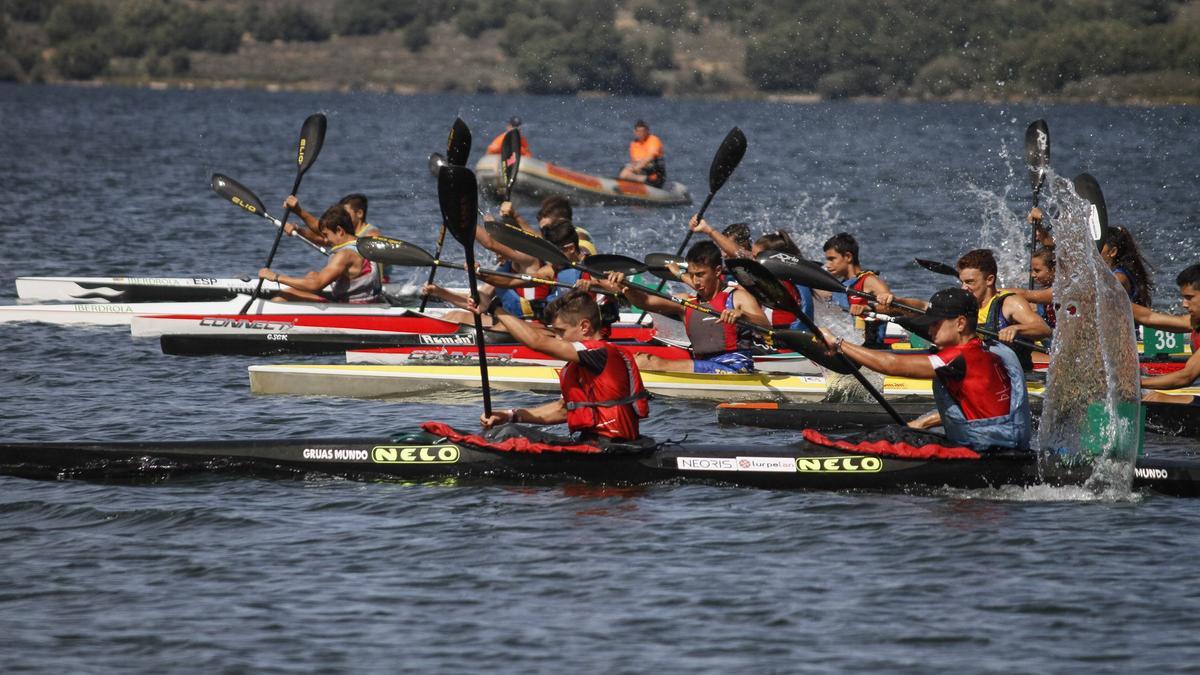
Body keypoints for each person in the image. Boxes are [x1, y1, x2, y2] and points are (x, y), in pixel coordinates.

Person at [820, 288, 1032, 451]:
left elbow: (892, 365)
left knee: (888, 437)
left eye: (935, 323)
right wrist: (925, 421)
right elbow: (981, 407)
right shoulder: (994, 350)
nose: (930, 330)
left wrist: (839, 343)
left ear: (960, 323)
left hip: (984, 452)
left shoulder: (959, 357)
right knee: (897, 434)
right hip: (1003, 445)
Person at [478, 290, 649, 442]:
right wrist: (510, 415)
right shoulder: (587, 362)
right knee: (507, 428)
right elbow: (563, 410)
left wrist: (494, 309)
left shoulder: (599, 352)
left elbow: (536, 342)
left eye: (561, 331)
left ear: (584, 326)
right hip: (592, 444)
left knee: (508, 434)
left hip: (611, 448)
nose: (558, 339)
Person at [615, 240, 770, 373]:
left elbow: (767, 328)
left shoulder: (737, 297)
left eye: (701, 275)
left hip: (735, 368)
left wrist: (744, 316)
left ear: (717, 271)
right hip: (703, 366)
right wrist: (626, 287)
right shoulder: (686, 302)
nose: (695, 281)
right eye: (692, 275)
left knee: (645, 362)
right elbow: (646, 302)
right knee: (640, 359)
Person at [259, 205, 381, 303]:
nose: (326, 240)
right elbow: (319, 237)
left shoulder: (345, 254)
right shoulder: (362, 242)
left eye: (327, 235)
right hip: (369, 300)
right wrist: (298, 226)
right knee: (312, 274)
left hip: (350, 308)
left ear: (339, 231)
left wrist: (275, 277)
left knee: (284, 295)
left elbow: (316, 284)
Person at [954, 248, 1051, 370]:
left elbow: (1043, 329)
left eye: (969, 282)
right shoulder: (965, 303)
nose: (963, 288)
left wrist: (1016, 329)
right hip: (979, 370)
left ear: (989, 280)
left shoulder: (1009, 303)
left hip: (1010, 374)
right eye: (962, 282)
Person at [1137, 264, 1200, 404]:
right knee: (1153, 397)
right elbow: (1148, 317)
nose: (1184, 304)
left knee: (1157, 398)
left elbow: (1186, 376)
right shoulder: (1195, 322)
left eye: (1189, 297)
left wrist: (1136, 383)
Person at [821, 233, 894, 348]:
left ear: (848, 257)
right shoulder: (840, 285)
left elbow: (890, 306)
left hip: (873, 346)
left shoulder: (869, 280)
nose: (827, 265)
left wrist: (868, 307)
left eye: (832, 259)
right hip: (849, 344)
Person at [1100, 225, 1154, 306]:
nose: (1095, 248)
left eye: (1100, 245)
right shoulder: (1116, 271)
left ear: (1113, 252)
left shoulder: (1119, 278)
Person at [618, 119, 666, 187]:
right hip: (642, 173)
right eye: (638, 131)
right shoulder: (634, 144)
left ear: (647, 131)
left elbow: (650, 157)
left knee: (627, 172)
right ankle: (625, 185)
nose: (641, 133)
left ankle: (631, 182)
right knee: (623, 170)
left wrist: (636, 168)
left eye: (643, 131)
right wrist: (630, 169)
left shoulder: (653, 140)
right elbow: (634, 162)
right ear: (634, 132)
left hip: (655, 177)